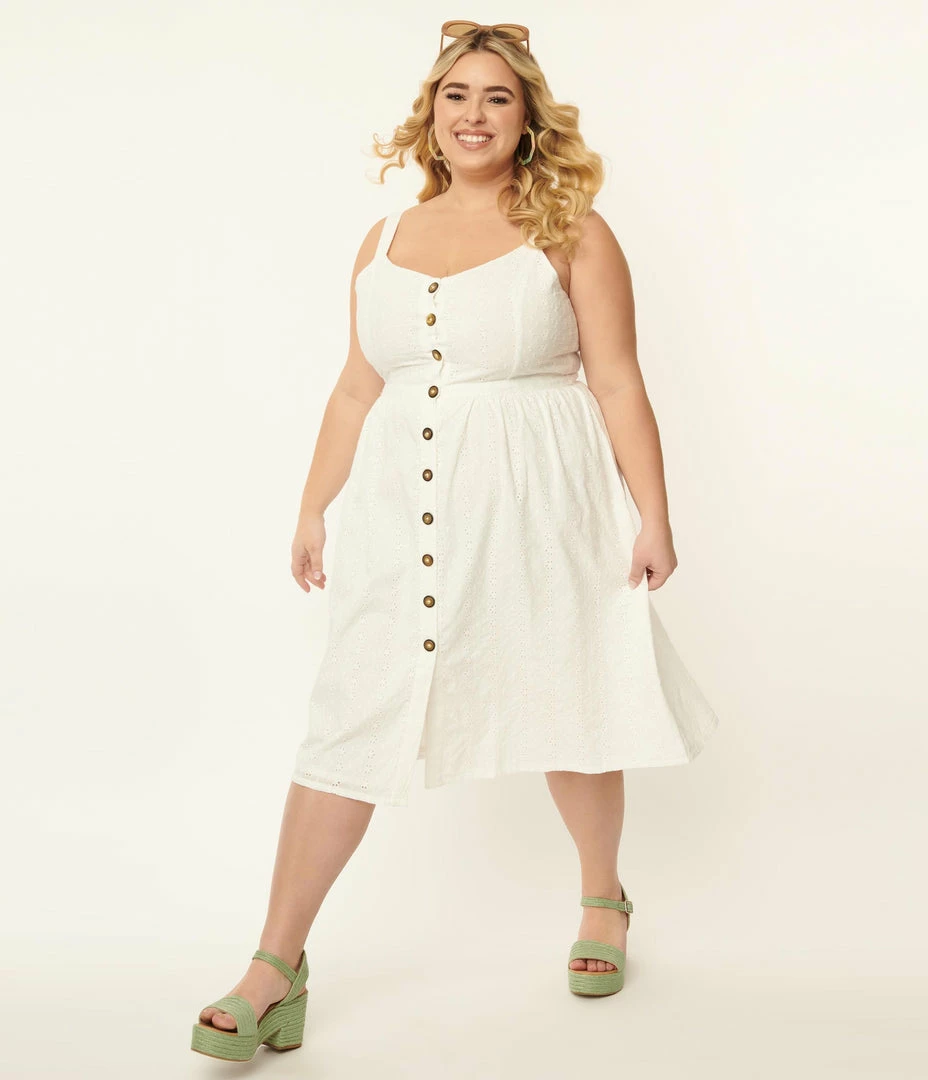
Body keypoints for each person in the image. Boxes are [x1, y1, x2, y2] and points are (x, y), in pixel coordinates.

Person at [191, 20, 719, 1061]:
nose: (473, 115)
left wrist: (653, 515)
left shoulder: (571, 229)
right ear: (429, 113)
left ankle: (603, 901)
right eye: (456, 96)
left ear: (528, 119)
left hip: (542, 505)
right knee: (350, 719)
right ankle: (274, 967)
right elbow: (357, 387)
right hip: (402, 514)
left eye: (497, 98)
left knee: (569, 698)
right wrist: (313, 507)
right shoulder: (382, 239)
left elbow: (617, 380)